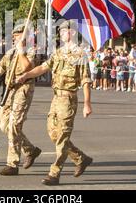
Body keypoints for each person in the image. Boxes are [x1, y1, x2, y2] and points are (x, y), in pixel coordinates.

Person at [17, 20, 93, 186]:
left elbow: (86, 81)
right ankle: (81, 158)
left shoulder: (81, 54)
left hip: (68, 99)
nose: (61, 33)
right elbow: (44, 67)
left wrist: (87, 103)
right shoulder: (58, 53)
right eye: (60, 31)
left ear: (72, 32)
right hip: (55, 98)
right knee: (53, 133)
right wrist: (26, 75)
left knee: (62, 138)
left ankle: (54, 173)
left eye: (63, 31)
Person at [0, 24, 41, 176]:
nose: (15, 38)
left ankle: (12, 164)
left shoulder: (32, 51)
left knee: (14, 125)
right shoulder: (10, 53)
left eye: (19, 35)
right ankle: (30, 149)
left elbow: (27, 68)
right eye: (15, 35)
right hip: (10, 92)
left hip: (23, 90)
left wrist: (21, 51)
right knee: (4, 124)